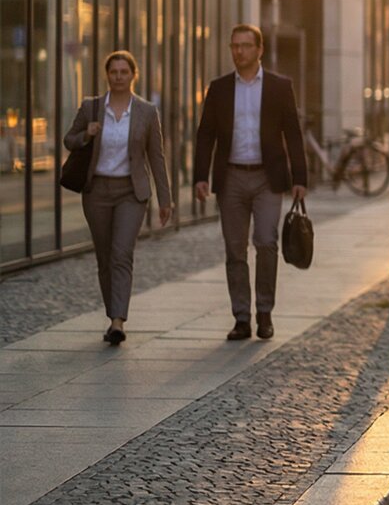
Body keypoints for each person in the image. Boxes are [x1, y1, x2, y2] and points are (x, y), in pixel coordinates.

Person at [193, 25, 308, 341]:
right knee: (235, 249)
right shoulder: (219, 88)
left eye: (245, 45)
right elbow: (206, 135)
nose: (239, 51)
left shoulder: (279, 87)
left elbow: (293, 133)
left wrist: (300, 177)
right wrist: (201, 176)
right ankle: (241, 317)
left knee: (266, 242)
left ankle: (265, 312)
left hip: (267, 178)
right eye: (234, 46)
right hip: (230, 177)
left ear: (259, 50)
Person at [65, 51, 173, 345]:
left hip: (130, 192)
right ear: (107, 75)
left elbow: (157, 157)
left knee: (121, 253)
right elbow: (69, 140)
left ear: (133, 75)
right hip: (97, 192)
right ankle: (112, 312)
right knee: (104, 257)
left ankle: (117, 322)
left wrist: (165, 199)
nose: (119, 77)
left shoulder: (147, 112)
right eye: (113, 72)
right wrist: (86, 134)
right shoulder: (91, 107)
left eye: (124, 72)